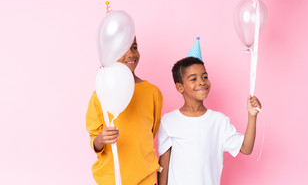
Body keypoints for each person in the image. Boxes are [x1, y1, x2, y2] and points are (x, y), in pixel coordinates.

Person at [158, 57, 261, 185]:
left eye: (205, 77)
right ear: (180, 87)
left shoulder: (219, 121)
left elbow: (246, 148)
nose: (201, 82)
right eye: (193, 79)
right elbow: (164, 165)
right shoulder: (168, 121)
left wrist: (252, 116)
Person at [86, 37, 163, 185]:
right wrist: (100, 139)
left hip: (146, 179)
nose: (131, 54)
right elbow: (94, 140)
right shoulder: (100, 94)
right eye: (122, 49)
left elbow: (151, 132)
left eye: (134, 47)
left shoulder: (153, 92)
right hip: (111, 180)